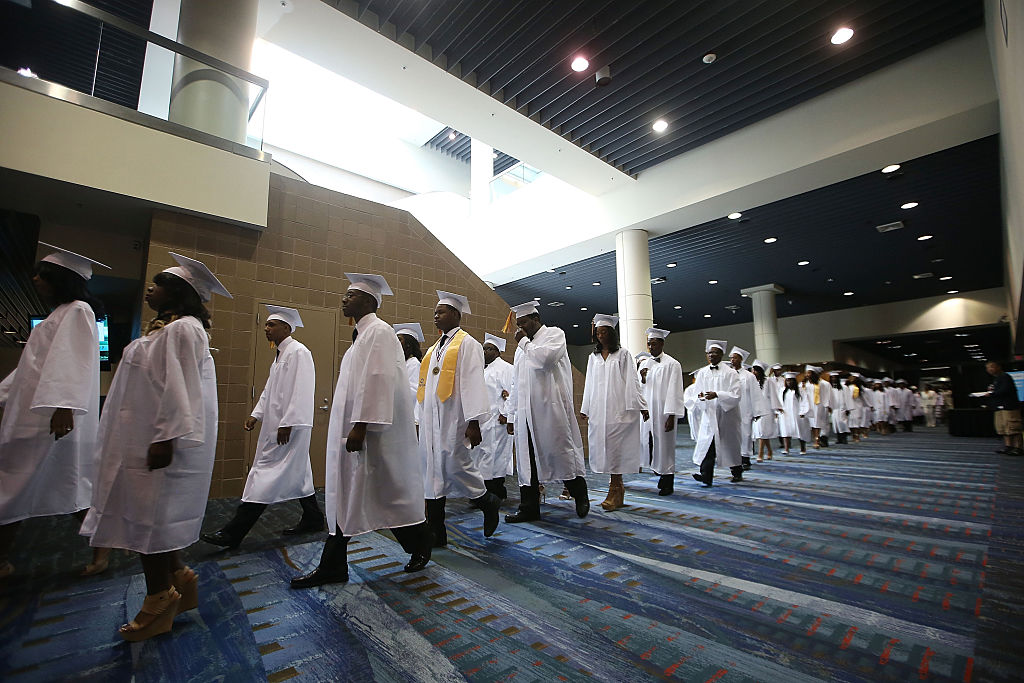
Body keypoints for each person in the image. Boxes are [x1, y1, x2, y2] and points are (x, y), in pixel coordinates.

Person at [81, 252, 229, 641]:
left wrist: (165, 438)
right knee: (153, 520)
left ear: (177, 292)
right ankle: (179, 575)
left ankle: (159, 598)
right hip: (146, 435)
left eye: (158, 282)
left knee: (150, 522)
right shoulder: (172, 328)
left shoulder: (184, 330)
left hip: (161, 441)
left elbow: (179, 388)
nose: (150, 287)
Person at [291, 273, 433, 588]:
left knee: (385, 493)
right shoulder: (361, 336)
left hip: (370, 434)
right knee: (361, 495)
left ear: (369, 301)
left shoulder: (380, 332)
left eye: (351, 295)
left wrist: (361, 425)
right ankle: (335, 565)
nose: (344, 299)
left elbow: (378, 379)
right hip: (357, 431)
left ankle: (420, 541)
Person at [0, 244, 110, 579]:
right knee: (41, 486)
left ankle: (103, 543)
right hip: (34, 413)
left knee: (18, 485)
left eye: (42, 275)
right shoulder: (57, 314)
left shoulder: (78, 311)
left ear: (60, 279)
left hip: (50, 417)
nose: (35, 279)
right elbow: (31, 369)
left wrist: (63, 407)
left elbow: (70, 361)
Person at [201, 306, 323, 549]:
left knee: (264, 475)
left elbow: (302, 390)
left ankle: (233, 533)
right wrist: (256, 414)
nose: (266, 329)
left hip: (289, 427)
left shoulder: (299, 352)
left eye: (272, 325)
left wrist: (288, 423)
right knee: (299, 473)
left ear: (287, 328)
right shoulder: (281, 354)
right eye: (266, 325)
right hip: (277, 425)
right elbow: (270, 390)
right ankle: (314, 518)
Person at [416, 291, 501, 547]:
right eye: (435, 312)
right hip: (432, 421)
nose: (436, 315)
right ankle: (436, 532)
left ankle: (487, 500)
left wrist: (474, 421)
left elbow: (473, 383)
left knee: (455, 465)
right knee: (431, 472)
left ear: (455, 314)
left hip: (456, 419)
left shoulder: (468, 344)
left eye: (440, 312)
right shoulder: (433, 348)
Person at [503, 302, 589, 522]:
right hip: (525, 414)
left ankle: (579, 494)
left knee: (559, 453)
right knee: (527, 462)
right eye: (518, 324)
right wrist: (511, 415)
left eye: (523, 323)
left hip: (550, 410)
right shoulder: (523, 350)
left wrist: (522, 342)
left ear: (535, 319)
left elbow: (545, 360)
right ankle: (528, 508)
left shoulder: (554, 335)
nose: (520, 328)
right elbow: (515, 383)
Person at [580, 315, 648, 511]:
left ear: (612, 334)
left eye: (604, 332)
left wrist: (641, 405)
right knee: (605, 449)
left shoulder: (623, 354)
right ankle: (616, 487)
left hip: (619, 410)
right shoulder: (592, 358)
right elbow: (589, 384)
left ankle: (615, 488)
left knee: (616, 449)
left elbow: (632, 382)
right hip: (600, 412)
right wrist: (586, 408)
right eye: (598, 333)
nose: (601, 336)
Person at [684, 340, 743, 486]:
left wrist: (718, 394)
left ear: (722, 354)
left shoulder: (731, 373)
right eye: (709, 353)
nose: (712, 355)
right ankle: (706, 475)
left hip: (726, 414)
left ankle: (736, 471)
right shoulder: (703, 372)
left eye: (715, 352)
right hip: (709, 414)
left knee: (729, 445)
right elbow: (697, 392)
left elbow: (736, 394)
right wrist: (699, 397)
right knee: (707, 444)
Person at [640, 328, 685, 495]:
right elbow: (642, 389)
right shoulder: (645, 364)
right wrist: (643, 378)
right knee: (651, 444)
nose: (651, 347)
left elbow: (674, 391)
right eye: (649, 344)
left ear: (662, 343)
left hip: (665, 411)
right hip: (649, 412)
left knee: (665, 446)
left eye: (654, 343)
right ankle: (660, 475)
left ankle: (668, 482)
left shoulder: (672, 364)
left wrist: (672, 415)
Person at [480, 333, 514, 500]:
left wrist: (505, 413)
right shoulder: (484, 369)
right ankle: (486, 491)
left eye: (489, 349)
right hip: (484, 421)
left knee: (498, 456)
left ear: (498, 351)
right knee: (485, 455)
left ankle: (496, 490)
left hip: (498, 421)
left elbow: (511, 392)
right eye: (484, 348)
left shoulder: (506, 368)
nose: (485, 351)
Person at [982, 361, 1022, 456]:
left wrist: (992, 393)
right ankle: (1008, 446)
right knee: (1003, 428)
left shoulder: (1005, 377)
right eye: (988, 368)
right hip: (999, 407)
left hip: (1009, 407)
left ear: (998, 367)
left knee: (1013, 427)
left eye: (992, 367)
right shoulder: (996, 379)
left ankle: (1018, 447)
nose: (990, 369)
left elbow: (1005, 390)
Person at [728, 346, 756, 470]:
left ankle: (745, 458)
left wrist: (756, 411)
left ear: (741, 359)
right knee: (733, 434)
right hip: (732, 408)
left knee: (746, 434)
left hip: (745, 408)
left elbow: (755, 394)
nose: (732, 360)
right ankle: (735, 459)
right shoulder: (728, 374)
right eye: (731, 358)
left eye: (735, 358)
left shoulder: (749, 376)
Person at [750, 360, 782, 462]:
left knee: (762, 432)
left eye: (755, 371)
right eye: (753, 370)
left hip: (767, 409)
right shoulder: (752, 382)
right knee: (761, 432)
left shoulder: (768, 381)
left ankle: (760, 454)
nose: (753, 373)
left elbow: (773, 395)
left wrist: (776, 408)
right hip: (756, 409)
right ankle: (769, 451)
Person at [395, 323, 424, 426]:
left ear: (408, 344)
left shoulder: (413, 364)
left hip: (408, 417)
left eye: (399, 340)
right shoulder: (401, 363)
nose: (395, 343)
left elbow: (415, 392)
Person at [778, 372, 811, 454]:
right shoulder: (782, 390)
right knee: (786, 431)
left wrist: (803, 412)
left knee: (801, 431)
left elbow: (805, 401)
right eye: (787, 380)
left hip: (797, 414)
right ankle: (786, 449)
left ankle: (803, 449)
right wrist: (779, 409)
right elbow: (779, 401)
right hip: (786, 414)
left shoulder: (800, 390)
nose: (789, 382)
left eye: (791, 380)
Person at [802, 365, 832, 448]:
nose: (807, 375)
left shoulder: (824, 384)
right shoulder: (805, 384)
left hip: (820, 407)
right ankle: (816, 439)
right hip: (809, 406)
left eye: (809, 373)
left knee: (818, 424)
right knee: (812, 424)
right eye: (806, 373)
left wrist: (828, 406)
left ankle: (818, 440)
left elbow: (828, 395)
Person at [828, 370, 850, 444]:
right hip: (834, 409)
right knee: (835, 424)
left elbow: (848, 398)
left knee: (843, 423)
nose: (833, 379)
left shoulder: (844, 387)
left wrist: (848, 408)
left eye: (835, 377)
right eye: (832, 377)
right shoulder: (829, 388)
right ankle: (839, 438)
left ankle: (844, 438)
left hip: (842, 408)